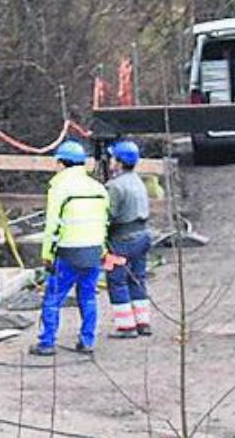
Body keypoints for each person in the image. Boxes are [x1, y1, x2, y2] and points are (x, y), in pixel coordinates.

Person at [29, 139, 108, 358]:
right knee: (88, 297)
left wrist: (46, 255)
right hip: (92, 252)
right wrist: (102, 251)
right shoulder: (98, 189)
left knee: (53, 298)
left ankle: (47, 342)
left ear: (62, 163)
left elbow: (52, 226)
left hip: (67, 253)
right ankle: (87, 340)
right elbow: (104, 223)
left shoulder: (59, 189)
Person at [104, 139, 153, 338]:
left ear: (119, 162)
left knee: (117, 280)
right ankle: (143, 322)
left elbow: (109, 215)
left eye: (112, 158)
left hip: (121, 241)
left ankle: (126, 326)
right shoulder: (137, 181)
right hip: (142, 237)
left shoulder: (114, 186)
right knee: (138, 278)